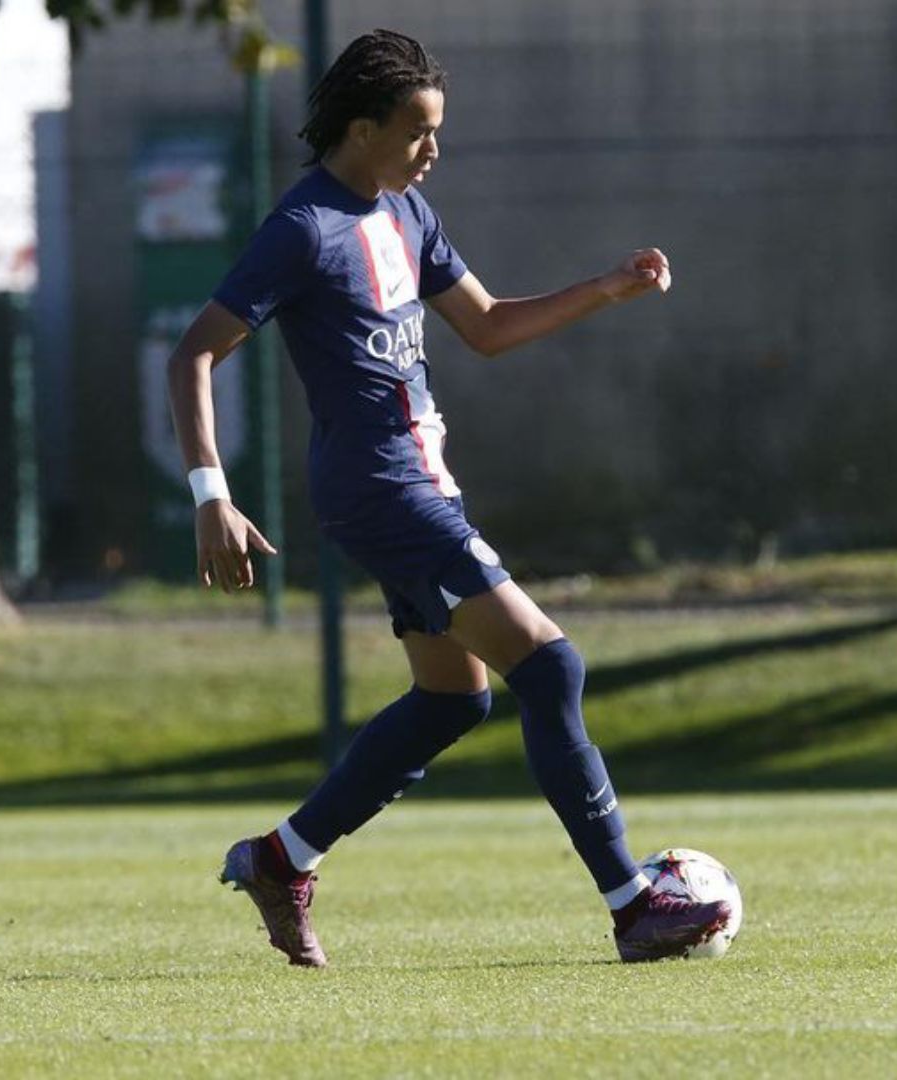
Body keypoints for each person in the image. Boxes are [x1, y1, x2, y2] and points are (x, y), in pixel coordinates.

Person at [167, 29, 732, 968]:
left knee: (451, 700)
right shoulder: (303, 229)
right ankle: (634, 902)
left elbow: (489, 326)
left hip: (418, 484)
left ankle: (282, 857)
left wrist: (606, 289)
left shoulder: (409, 214)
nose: (434, 148)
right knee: (551, 668)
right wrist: (209, 496)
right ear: (361, 127)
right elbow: (192, 353)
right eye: (419, 130)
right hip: (381, 489)